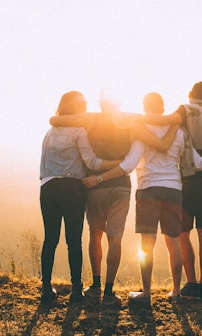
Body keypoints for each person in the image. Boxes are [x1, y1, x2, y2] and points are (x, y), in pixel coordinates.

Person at [82, 92, 202, 304]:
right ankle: (177, 292)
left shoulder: (142, 131)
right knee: (174, 243)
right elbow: (196, 162)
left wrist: (100, 178)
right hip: (174, 191)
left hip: (148, 190)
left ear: (145, 107)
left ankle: (146, 293)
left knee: (147, 244)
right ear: (162, 109)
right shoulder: (179, 132)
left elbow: (128, 165)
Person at [49, 93, 177, 307]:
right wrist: (176, 120)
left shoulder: (90, 119)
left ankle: (96, 285)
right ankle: (109, 291)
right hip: (121, 186)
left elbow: (55, 120)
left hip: (95, 185)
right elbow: (160, 131)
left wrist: (56, 119)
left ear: (101, 103)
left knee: (95, 234)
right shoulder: (131, 120)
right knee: (115, 238)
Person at [135, 81, 202, 299]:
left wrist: (133, 119)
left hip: (192, 177)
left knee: (182, 233)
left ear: (190, 94)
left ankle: (190, 283)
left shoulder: (186, 110)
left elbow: (165, 121)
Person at [39, 91, 120, 304]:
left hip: (48, 187)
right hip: (73, 188)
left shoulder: (50, 132)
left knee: (50, 239)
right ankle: (76, 290)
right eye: (81, 103)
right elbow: (92, 163)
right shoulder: (79, 131)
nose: (85, 105)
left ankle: (46, 288)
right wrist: (118, 163)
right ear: (73, 107)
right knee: (73, 240)